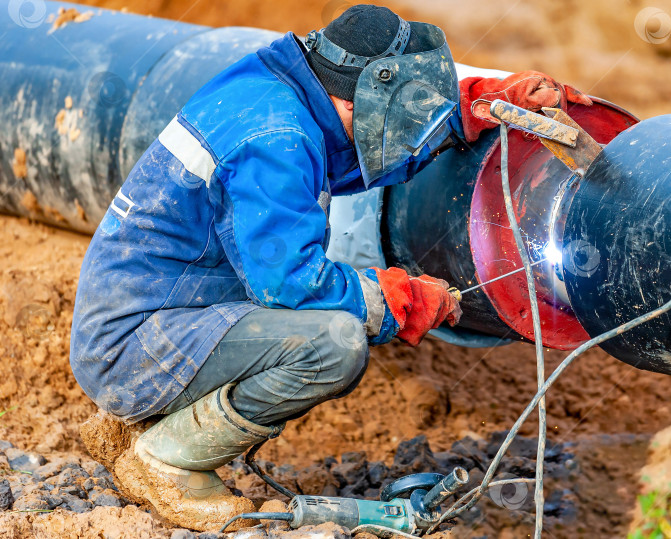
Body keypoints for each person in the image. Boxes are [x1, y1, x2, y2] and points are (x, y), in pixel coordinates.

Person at [70, 4, 591, 532]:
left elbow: (345, 157)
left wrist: (463, 110)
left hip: (153, 312)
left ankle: (151, 418)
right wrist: (398, 299)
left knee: (323, 325)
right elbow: (291, 285)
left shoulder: (282, 89)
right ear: (359, 98)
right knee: (334, 343)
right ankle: (167, 459)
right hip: (132, 345)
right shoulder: (276, 139)